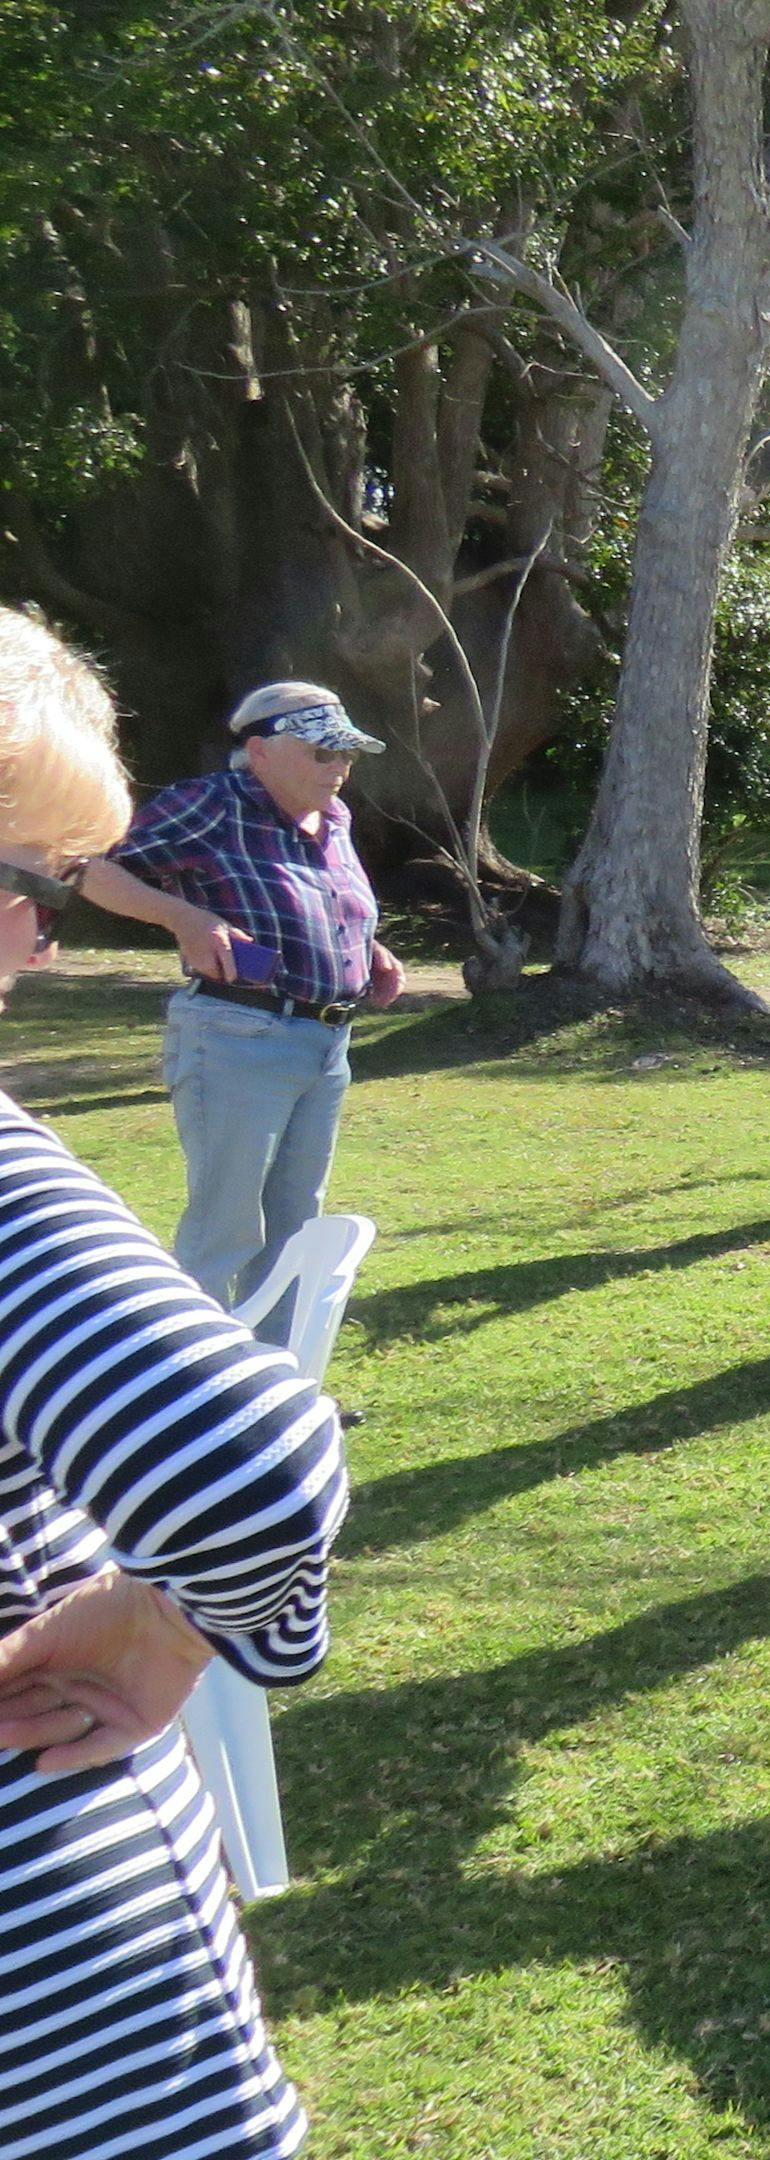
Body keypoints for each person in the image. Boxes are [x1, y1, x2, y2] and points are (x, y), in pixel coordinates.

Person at [0, 608, 350, 2159]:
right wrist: (159, 1628)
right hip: (77, 2058)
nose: (44, 941)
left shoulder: (327, 826)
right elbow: (249, 1467)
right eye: (28, 889)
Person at [77, 679, 404, 1317]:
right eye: (321, 753)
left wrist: (368, 948)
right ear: (259, 752)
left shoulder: (333, 817)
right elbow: (90, 869)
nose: (338, 768)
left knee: (294, 1227)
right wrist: (183, 919)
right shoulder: (210, 803)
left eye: (346, 755)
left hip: (326, 1044)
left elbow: (327, 905)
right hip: (237, 1035)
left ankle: (274, 1386)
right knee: (225, 1229)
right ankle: (190, 1392)